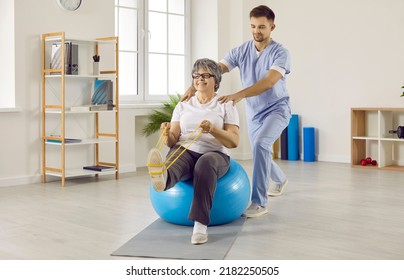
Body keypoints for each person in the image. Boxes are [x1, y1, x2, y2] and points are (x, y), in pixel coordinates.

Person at [182, 5, 291, 218]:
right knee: (261, 149)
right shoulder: (241, 50)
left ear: (272, 27)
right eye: (253, 26)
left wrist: (238, 95)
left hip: (277, 109)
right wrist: (192, 85)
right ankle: (279, 179)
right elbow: (214, 69)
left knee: (261, 144)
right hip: (254, 112)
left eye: (262, 27)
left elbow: (269, 82)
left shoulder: (281, 53)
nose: (256, 31)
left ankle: (259, 202)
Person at [147, 58, 240, 245]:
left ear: (216, 79)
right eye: (196, 75)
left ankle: (200, 225)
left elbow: (233, 141)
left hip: (215, 153)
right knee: (177, 153)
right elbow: (173, 138)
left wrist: (212, 129)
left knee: (205, 164)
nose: (200, 79)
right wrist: (166, 133)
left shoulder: (225, 104)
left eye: (206, 75)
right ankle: (164, 179)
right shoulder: (183, 105)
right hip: (186, 149)